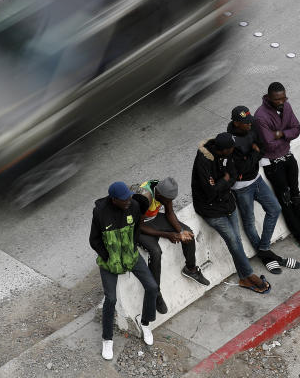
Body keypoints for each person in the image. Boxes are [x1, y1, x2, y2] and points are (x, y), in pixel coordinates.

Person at [191, 132, 271, 294]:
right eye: (231, 148)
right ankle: (249, 275)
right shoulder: (204, 161)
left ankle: (243, 278)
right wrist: (224, 180)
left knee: (236, 241)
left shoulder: (227, 155)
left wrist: (224, 180)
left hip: (227, 204)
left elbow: (233, 175)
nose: (234, 149)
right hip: (211, 210)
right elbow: (210, 192)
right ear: (223, 150)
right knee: (233, 241)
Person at [90, 181, 159, 360]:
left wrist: (131, 248)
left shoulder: (133, 205)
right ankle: (107, 339)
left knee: (152, 287)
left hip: (130, 256)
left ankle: (145, 323)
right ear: (114, 200)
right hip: (109, 262)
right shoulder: (100, 212)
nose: (129, 200)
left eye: (128, 196)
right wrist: (108, 257)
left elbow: (137, 228)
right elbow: (94, 240)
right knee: (110, 298)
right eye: (124, 199)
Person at [228, 105, 300, 275]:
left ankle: (264, 250)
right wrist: (254, 154)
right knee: (249, 222)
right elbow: (241, 168)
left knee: (275, 208)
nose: (249, 125)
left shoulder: (252, 128)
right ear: (236, 123)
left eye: (249, 121)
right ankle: (267, 257)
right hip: (241, 188)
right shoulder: (230, 141)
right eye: (245, 123)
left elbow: (262, 148)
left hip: (257, 179)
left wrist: (253, 154)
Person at [254, 82, 300, 254]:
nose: (281, 101)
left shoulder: (287, 106)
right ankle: (299, 235)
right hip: (273, 164)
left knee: (296, 195)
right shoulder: (260, 116)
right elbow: (269, 145)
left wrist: (281, 134)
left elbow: (296, 129)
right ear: (269, 97)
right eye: (277, 99)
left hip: (288, 157)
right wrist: (285, 135)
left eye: (283, 98)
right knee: (285, 199)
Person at [132, 176, 209, 315]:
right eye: (168, 200)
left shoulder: (163, 192)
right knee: (155, 252)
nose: (170, 203)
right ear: (160, 195)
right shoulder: (145, 198)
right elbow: (139, 226)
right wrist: (168, 235)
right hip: (139, 227)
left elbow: (169, 213)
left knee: (188, 233)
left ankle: (191, 269)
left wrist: (180, 232)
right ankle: (155, 294)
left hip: (153, 219)